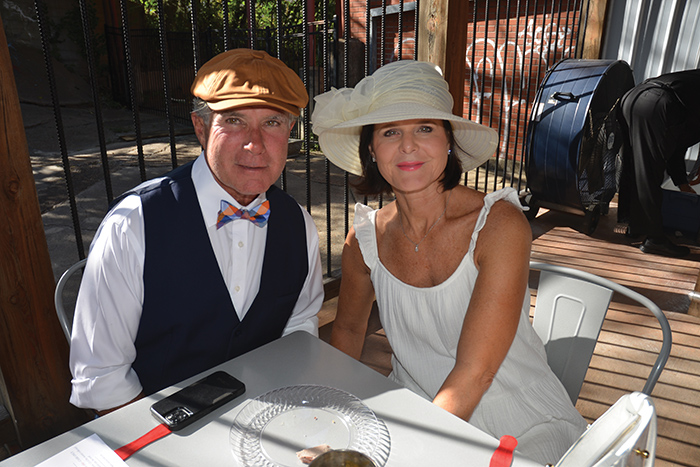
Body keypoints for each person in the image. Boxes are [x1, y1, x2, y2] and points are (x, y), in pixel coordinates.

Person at [311, 60, 587, 464]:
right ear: (371, 149)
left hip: (519, 422)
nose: (408, 146)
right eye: (390, 131)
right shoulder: (365, 239)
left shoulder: (498, 225)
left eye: (425, 128)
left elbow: (477, 372)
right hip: (415, 407)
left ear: (448, 142)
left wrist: (410, 455)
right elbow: (349, 330)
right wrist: (327, 416)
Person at [69, 49, 324, 414]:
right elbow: (102, 379)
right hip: (158, 426)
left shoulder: (297, 223)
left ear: (290, 132)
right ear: (201, 128)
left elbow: (298, 327)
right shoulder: (133, 224)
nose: (255, 143)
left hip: (264, 411)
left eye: (272, 122)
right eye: (234, 121)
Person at [617, 68, 700, 257]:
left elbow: (676, 144)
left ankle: (635, 226)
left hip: (633, 97)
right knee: (648, 170)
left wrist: (682, 183)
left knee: (634, 164)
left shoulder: (689, 93)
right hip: (657, 103)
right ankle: (654, 239)